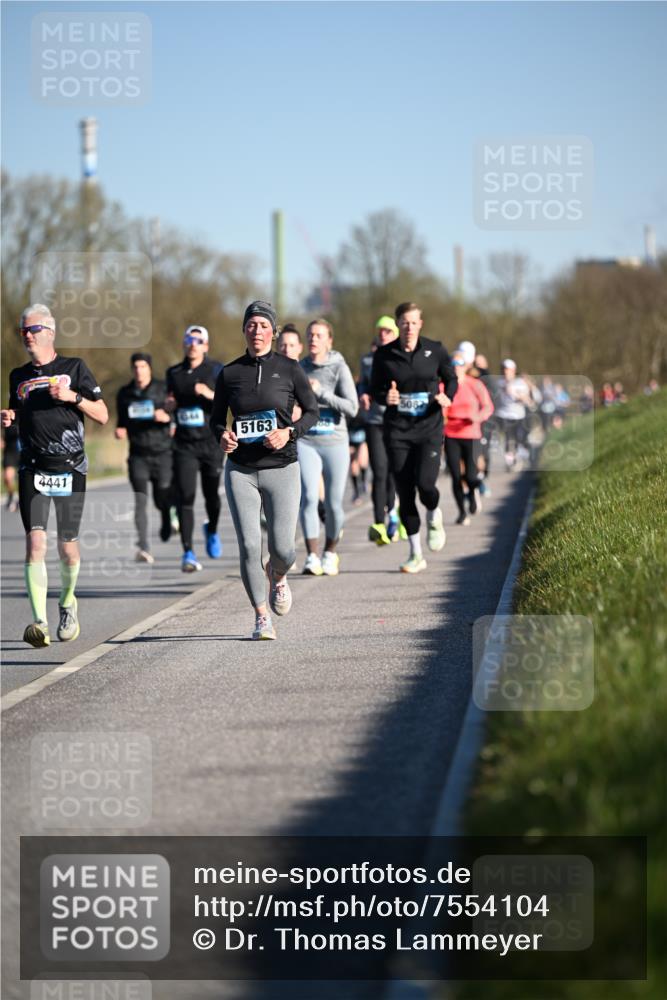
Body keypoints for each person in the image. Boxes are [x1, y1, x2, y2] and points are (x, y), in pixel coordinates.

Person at [1, 304, 108, 647]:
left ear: (49, 332)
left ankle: (67, 602)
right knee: (35, 543)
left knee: (67, 548)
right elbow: (17, 416)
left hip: (71, 467)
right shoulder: (17, 376)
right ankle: (39, 622)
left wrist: (73, 396)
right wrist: (8, 420)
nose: (27, 337)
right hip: (32, 467)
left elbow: (103, 415)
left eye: (32, 330)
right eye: (23, 332)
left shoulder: (74, 368)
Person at [210, 301, 318, 640]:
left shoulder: (290, 369)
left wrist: (289, 432)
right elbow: (216, 420)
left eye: (263, 325)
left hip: (282, 466)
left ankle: (279, 574)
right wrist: (223, 437)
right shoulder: (229, 373)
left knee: (284, 548)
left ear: (273, 331)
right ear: (244, 330)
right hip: (241, 469)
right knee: (248, 545)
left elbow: (313, 412)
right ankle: (260, 617)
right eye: (251, 325)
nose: (257, 331)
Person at [370, 302, 457, 574]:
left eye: (413, 322)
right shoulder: (384, 355)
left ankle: (433, 513)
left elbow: (452, 379)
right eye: (404, 322)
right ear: (398, 324)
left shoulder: (436, 349)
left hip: (429, 427)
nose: (408, 327)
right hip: (397, 430)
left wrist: (447, 396)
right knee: (405, 493)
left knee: (426, 484)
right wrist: (387, 397)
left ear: (421, 324)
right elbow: (375, 390)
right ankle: (415, 553)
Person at [298, 319, 359, 576]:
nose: (314, 339)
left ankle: (330, 552)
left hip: (335, 441)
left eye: (319, 335)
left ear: (329, 341)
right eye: (310, 335)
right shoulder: (299, 368)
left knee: (334, 503)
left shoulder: (338, 367)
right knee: (310, 497)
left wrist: (321, 392)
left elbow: (352, 408)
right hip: (307, 440)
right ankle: (311, 555)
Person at [166, 325, 224, 572]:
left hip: (211, 443)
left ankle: (211, 529)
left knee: (212, 496)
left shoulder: (216, 369)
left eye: (199, 340)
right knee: (186, 497)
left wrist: (208, 393)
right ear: (184, 343)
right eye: (189, 339)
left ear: (206, 346)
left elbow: (227, 400)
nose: (193, 344)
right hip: (184, 445)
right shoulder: (174, 373)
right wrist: (169, 407)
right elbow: (170, 402)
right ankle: (188, 552)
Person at [115, 352, 174, 563]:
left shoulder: (163, 388)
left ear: (149, 368)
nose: (139, 371)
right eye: (135, 367)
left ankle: (167, 518)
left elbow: (174, 415)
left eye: (143, 366)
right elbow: (121, 422)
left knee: (161, 499)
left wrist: (166, 417)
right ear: (132, 369)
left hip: (162, 452)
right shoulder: (125, 393)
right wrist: (119, 430)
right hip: (138, 455)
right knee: (140, 501)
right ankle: (144, 547)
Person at [358, 316, 402, 545]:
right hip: (374, 420)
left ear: (395, 334)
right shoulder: (368, 360)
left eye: (387, 331)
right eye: (380, 331)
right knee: (379, 470)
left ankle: (393, 512)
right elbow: (363, 383)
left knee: (395, 471)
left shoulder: (402, 358)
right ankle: (378, 523)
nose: (383, 334)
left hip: (398, 421)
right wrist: (363, 393)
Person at [444, 351, 494, 525]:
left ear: (466, 366)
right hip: (451, 435)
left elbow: (488, 407)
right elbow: (439, 408)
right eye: (454, 364)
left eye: (460, 364)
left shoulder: (475, 384)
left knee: (471, 476)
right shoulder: (444, 386)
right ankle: (461, 512)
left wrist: (477, 418)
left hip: (471, 434)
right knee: (456, 476)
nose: (457, 367)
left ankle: (473, 494)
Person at [494, 359, 531, 470]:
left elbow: (526, 400)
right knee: (507, 438)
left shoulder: (520, 383)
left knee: (518, 438)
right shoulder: (498, 382)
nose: (506, 372)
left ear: (513, 370)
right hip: (503, 414)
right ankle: (510, 461)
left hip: (518, 415)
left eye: (508, 369)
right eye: (504, 369)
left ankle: (520, 455)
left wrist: (513, 393)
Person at [472, 351, 496, 497]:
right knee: (474, 452)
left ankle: (482, 478)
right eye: (476, 363)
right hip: (471, 422)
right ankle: (476, 482)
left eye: (481, 363)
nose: (479, 366)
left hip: (486, 421)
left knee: (484, 452)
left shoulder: (489, 381)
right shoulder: (470, 378)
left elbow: (493, 402)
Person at [2, 423, 20, 512]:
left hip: (25, 448)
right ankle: (11, 495)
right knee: (7, 477)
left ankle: (22, 498)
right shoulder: (7, 413)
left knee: (25, 479)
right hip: (10, 450)